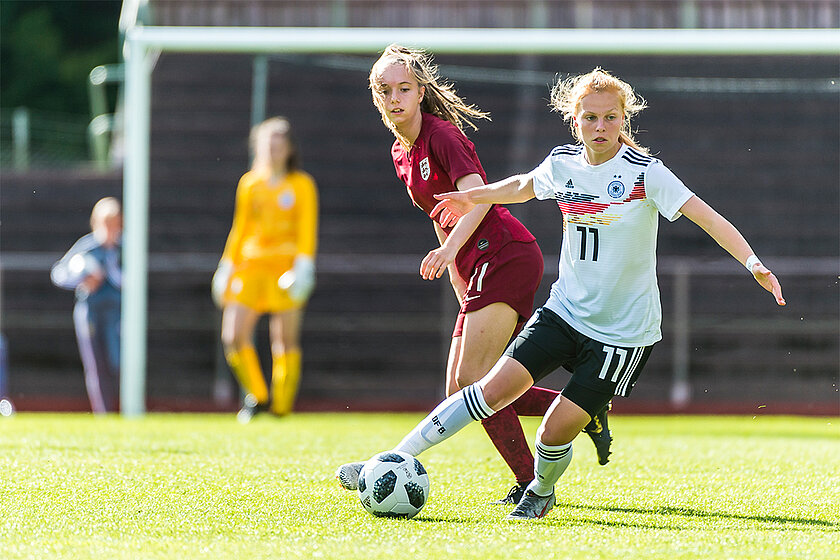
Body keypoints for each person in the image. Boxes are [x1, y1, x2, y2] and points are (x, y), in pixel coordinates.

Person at [336, 67, 785, 521]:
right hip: (564, 312)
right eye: (590, 118)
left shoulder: (646, 174)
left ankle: (540, 490)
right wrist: (474, 197)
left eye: (611, 118)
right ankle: (390, 460)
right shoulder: (563, 163)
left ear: (624, 120)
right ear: (575, 121)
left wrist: (753, 263)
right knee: (483, 391)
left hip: (621, 334)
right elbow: (521, 186)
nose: (601, 128)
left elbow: (705, 216)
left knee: (551, 435)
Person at [336, 45, 612, 506]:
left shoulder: (442, 135)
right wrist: (456, 271)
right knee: (460, 393)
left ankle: (532, 484)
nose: (395, 97)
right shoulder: (400, 152)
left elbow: (476, 197)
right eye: (385, 90)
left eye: (404, 88)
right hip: (474, 263)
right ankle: (587, 411)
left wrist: (448, 250)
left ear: (421, 92)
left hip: (505, 254)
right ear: (375, 97)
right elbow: (437, 213)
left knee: (474, 384)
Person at [212, 117, 319, 422]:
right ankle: (256, 397)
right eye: (266, 144)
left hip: (286, 269)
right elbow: (239, 228)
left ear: (289, 150)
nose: (272, 151)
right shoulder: (249, 183)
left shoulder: (301, 185)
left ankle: (281, 407)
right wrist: (226, 266)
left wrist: (304, 266)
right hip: (249, 267)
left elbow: (306, 229)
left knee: (284, 341)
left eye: (278, 145)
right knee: (233, 336)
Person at [51, 197, 123, 413]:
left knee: (117, 360)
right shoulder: (87, 247)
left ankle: (127, 410)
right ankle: (103, 414)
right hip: (90, 311)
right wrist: (82, 278)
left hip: (117, 313)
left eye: (115, 224)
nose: (110, 230)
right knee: (96, 366)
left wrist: (111, 275)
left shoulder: (126, 248)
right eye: (105, 224)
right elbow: (59, 273)